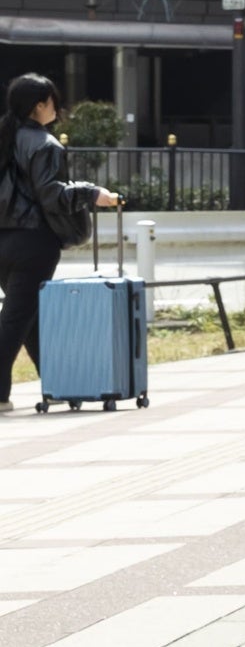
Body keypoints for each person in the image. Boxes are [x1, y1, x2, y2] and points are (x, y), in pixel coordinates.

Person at [2, 75, 120, 412]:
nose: (57, 108)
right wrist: (92, 193)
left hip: (3, 240)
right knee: (16, 320)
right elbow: (51, 194)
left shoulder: (5, 137)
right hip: (33, 241)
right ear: (39, 105)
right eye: (53, 101)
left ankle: (58, 383)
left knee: (28, 317)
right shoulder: (44, 144)